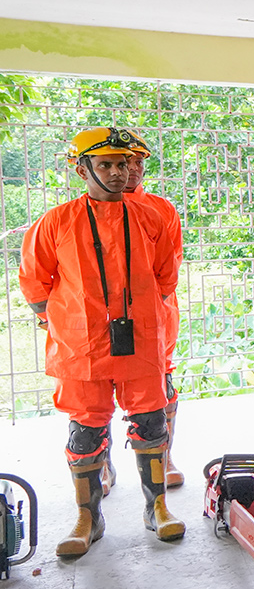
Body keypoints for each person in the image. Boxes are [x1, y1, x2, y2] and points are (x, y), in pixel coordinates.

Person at [20, 128, 185, 557]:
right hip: (81, 348)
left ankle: (157, 508)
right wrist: (65, 321)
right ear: (82, 169)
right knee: (84, 432)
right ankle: (87, 518)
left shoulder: (152, 216)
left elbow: (167, 276)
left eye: (124, 164)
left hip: (143, 343)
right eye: (107, 165)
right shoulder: (55, 222)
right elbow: (35, 284)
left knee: (150, 425)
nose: (119, 172)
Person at [123, 129, 185, 490]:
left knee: (162, 387)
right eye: (122, 162)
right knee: (97, 402)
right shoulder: (78, 213)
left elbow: (171, 264)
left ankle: (165, 456)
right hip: (101, 322)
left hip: (157, 315)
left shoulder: (161, 209)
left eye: (137, 162)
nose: (130, 169)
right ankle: (103, 467)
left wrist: (155, 305)